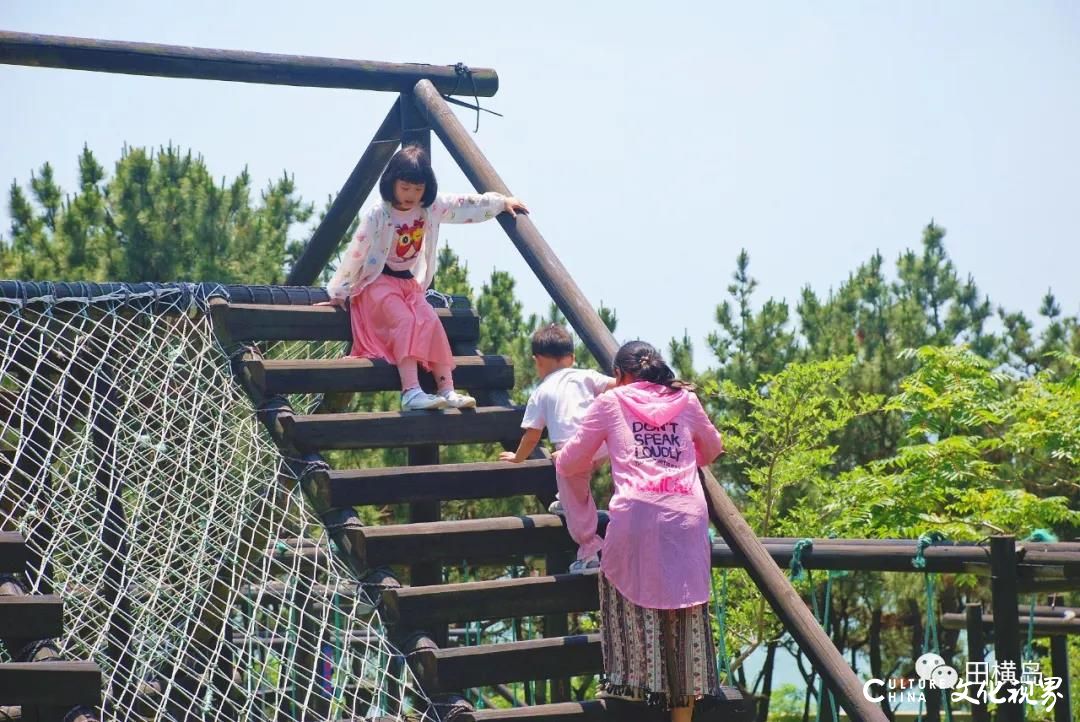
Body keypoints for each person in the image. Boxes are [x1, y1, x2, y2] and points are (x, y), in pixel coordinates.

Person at [554, 341, 724, 722]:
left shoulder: (611, 403)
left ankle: (633, 690)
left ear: (619, 375)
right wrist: (680, 460)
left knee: (626, 594)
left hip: (637, 517)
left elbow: (572, 461)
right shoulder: (686, 400)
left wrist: (560, 459)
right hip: (686, 515)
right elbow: (712, 449)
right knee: (683, 618)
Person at [324, 144, 528, 411]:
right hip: (377, 285)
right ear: (392, 182)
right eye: (405, 187)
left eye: (418, 189)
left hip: (408, 284)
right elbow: (357, 251)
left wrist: (501, 203)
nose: (411, 195)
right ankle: (411, 391)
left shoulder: (429, 207)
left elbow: (465, 205)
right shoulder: (379, 213)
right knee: (406, 320)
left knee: (431, 321)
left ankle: (447, 389)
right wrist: (339, 291)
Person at [499, 325, 614, 521]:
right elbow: (618, 384)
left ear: (538, 361)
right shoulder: (585, 375)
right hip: (601, 442)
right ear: (572, 358)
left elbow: (532, 436)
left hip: (571, 449)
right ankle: (571, 497)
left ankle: (583, 534)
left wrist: (518, 457)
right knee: (585, 465)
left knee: (566, 466)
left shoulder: (540, 392)